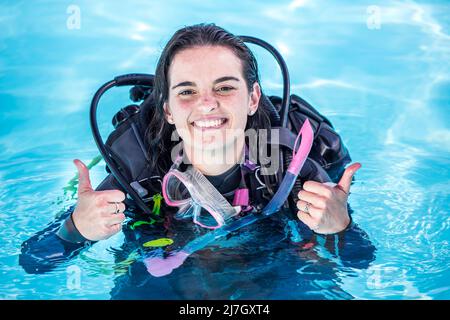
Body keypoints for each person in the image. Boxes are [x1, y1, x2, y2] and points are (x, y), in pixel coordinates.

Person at [20, 24, 375, 298]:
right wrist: (75, 229)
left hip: (273, 263)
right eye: (187, 91)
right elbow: (34, 261)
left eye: (224, 87)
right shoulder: (137, 173)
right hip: (168, 270)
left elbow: (359, 261)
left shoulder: (288, 167)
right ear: (168, 110)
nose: (207, 103)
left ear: (252, 99)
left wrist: (341, 227)